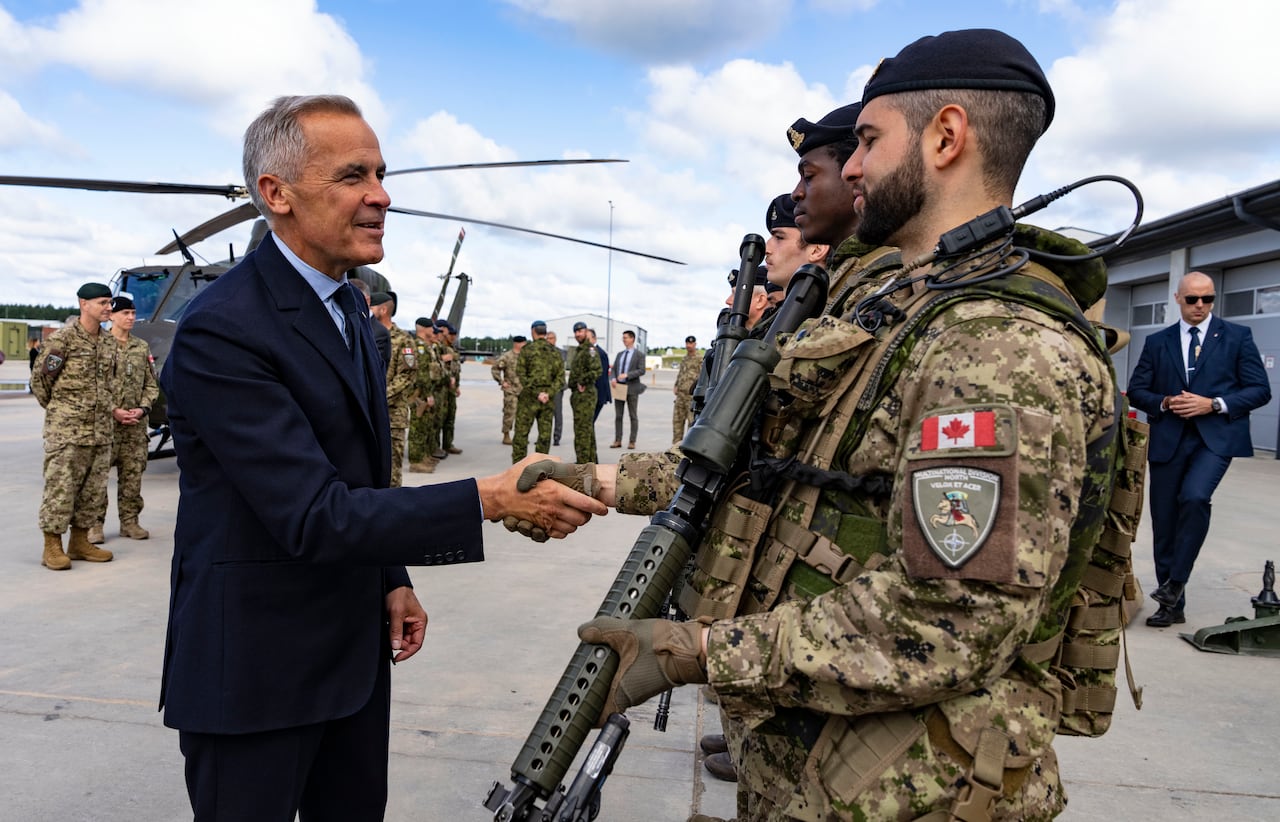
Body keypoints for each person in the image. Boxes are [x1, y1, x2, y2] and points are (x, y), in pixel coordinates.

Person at [579, 29, 1120, 820]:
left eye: (868, 140)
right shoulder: (912, 307)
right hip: (835, 771)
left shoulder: (995, 347)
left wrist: (702, 651)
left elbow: (949, 621)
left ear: (946, 137)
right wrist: (601, 481)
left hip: (911, 792)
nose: (854, 166)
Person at [157, 94, 606, 821]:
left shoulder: (349, 312)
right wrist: (488, 497)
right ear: (277, 193)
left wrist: (391, 578)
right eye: (352, 176)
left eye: (381, 174)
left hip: (352, 658)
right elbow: (313, 514)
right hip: (256, 671)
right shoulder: (224, 330)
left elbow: (360, 476)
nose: (382, 196)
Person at [1126, 271, 1271, 627]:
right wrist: (1164, 402)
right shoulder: (1157, 342)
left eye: (1208, 299)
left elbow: (1259, 390)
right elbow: (1138, 390)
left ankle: (1175, 582)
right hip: (1168, 440)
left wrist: (1214, 404)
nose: (1201, 306)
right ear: (1178, 298)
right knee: (1165, 522)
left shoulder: (1237, 337)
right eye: (1193, 299)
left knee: (1194, 497)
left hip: (1215, 439)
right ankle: (1172, 606)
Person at [31, 282, 118, 570]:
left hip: (100, 431)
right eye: (103, 303)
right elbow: (41, 381)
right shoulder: (63, 339)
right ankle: (52, 546)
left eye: (110, 303)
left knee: (93, 490)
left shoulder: (108, 342)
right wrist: (63, 412)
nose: (108, 308)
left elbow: (111, 383)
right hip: (67, 431)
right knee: (61, 488)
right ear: (84, 304)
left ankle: (80, 542)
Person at [101, 294, 159, 541]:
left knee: (132, 477)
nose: (131, 317)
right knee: (97, 480)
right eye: (125, 313)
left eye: (133, 313)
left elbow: (151, 384)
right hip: (105, 425)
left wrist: (143, 408)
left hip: (135, 426)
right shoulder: (99, 345)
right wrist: (113, 409)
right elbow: (93, 385)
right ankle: (93, 526)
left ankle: (130, 522)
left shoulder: (141, 347)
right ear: (112, 315)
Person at [371, 291, 418, 487]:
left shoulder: (404, 339)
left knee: (392, 470)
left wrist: (380, 396)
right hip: (369, 412)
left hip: (393, 415)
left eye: (372, 307)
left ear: (383, 310)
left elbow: (407, 376)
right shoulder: (366, 332)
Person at [512, 320, 564, 462]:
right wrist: (548, 393)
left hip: (529, 399)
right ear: (545, 333)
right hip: (547, 400)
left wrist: (536, 393)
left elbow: (521, 374)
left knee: (521, 435)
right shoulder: (555, 352)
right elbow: (560, 378)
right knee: (544, 437)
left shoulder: (527, 350)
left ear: (533, 331)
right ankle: (540, 467)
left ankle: (518, 467)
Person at [407, 317, 444, 473]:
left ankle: (423, 456)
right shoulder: (419, 347)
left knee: (424, 427)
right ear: (423, 328)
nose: (432, 331)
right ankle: (416, 461)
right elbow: (422, 373)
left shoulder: (426, 347)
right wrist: (428, 394)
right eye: (430, 328)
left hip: (425, 391)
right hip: (419, 393)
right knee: (417, 428)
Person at [568, 321, 603, 463]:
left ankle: (582, 464)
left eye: (580, 331)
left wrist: (582, 381)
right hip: (578, 396)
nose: (578, 334)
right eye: (576, 332)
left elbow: (597, 370)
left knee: (582, 432)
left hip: (586, 395)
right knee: (587, 430)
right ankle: (591, 462)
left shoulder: (590, 350)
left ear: (586, 332)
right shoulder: (579, 350)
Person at [610, 329, 645, 449]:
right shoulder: (620, 354)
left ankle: (632, 441)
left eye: (625, 337)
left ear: (632, 339)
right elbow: (614, 369)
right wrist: (613, 378)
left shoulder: (639, 355)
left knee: (633, 416)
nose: (623, 340)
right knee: (618, 416)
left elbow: (641, 370)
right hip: (619, 387)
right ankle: (617, 440)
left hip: (632, 388)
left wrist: (627, 375)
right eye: (623, 337)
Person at [491, 335, 526, 445]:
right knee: (509, 413)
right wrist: (501, 381)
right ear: (517, 344)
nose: (524, 345)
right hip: (511, 390)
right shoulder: (507, 356)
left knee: (522, 415)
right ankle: (506, 435)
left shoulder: (525, 356)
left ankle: (519, 436)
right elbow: (495, 368)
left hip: (523, 390)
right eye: (523, 343)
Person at [436, 320, 462, 458]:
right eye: (450, 333)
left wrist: (457, 386)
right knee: (439, 419)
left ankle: (448, 444)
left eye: (454, 334)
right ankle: (435, 447)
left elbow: (455, 370)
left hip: (450, 388)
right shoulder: (439, 347)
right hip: (441, 387)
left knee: (450, 418)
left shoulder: (451, 348)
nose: (453, 336)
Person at [671, 335, 703, 444]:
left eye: (691, 343)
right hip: (680, 396)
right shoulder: (684, 358)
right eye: (687, 343)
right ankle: (675, 448)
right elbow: (681, 374)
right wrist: (676, 385)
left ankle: (688, 448)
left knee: (691, 424)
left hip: (691, 397)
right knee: (677, 423)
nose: (688, 345)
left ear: (695, 344)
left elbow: (702, 377)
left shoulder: (700, 359)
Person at [546, 330, 569, 446]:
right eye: (547, 338)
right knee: (545, 413)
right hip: (545, 387)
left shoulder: (561, 352)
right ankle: (544, 436)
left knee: (557, 412)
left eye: (551, 338)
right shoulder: (542, 353)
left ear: (555, 339)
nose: (549, 341)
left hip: (557, 387)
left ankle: (557, 436)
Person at [589, 328, 610, 422]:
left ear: (594, 338)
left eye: (588, 338)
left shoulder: (600, 353)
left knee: (590, 422)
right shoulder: (589, 351)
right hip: (589, 394)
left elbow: (602, 376)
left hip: (597, 393)